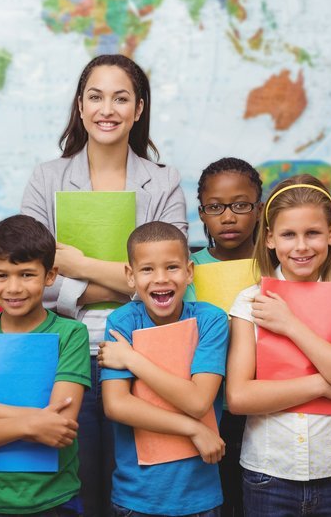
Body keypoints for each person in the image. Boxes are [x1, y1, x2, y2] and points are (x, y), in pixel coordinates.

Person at [21, 54, 187, 515]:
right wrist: (125, 282)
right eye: (95, 96)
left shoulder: (164, 181)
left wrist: (78, 263)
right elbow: (31, 279)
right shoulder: (47, 178)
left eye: (120, 98)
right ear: (79, 106)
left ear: (138, 109)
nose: (107, 109)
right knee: (75, 490)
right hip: (65, 356)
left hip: (144, 355)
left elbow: (170, 285)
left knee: (136, 492)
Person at [226, 174, 331, 517]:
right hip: (268, 473)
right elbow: (239, 397)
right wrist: (325, 383)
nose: (301, 246)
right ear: (271, 239)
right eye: (289, 235)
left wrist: (291, 325)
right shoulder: (250, 302)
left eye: (313, 233)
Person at [0, 214, 90, 516]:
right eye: (1, 275)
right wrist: (33, 423)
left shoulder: (71, 334)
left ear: (51, 275)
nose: (13, 287)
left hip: (55, 500)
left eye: (26, 274)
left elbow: (60, 427)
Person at [99, 221, 229, 516]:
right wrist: (192, 429)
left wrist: (133, 360)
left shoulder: (211, 321)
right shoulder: (122, 322)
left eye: (172, 267)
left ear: (189, 271)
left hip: (200, 498)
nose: (160, 279)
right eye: (147, 269)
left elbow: (198, 401)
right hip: (136, 498)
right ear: (130, 276)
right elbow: (116, 405)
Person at [187, 157, 263, 517]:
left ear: (259, 209)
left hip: (264, 411)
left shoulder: (277, 268)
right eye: (215, 207)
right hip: (208, 413)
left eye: (241, 205)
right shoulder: (187, 272)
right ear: (202, 213)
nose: (228, 217)